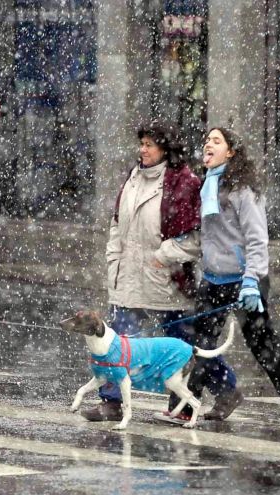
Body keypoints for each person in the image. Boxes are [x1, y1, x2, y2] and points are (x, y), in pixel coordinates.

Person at [81, 123, 239, 422]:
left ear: (165, 149)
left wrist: (162, 256)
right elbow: (118, 221)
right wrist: (113, 252)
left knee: (181, 344)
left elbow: (195, 237)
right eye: (141, 143)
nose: (143, 150)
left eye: (150, 144)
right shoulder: (132, 177)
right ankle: (112, 402)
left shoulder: (184, 183)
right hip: (128, 276)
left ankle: (226, 388)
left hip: (166, 280)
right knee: (117, 342)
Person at [172, 127, 280, 424]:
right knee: (198, 343)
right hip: (213, 279)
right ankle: (185, 406)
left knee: (261, 342)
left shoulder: (242, 190)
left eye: (216, 141)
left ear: (231, 152)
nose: (208, 145)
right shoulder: (208, 185)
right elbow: (208, 237)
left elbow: (256, 238)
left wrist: (251, 281)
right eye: (206, 141)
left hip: (244, 280)